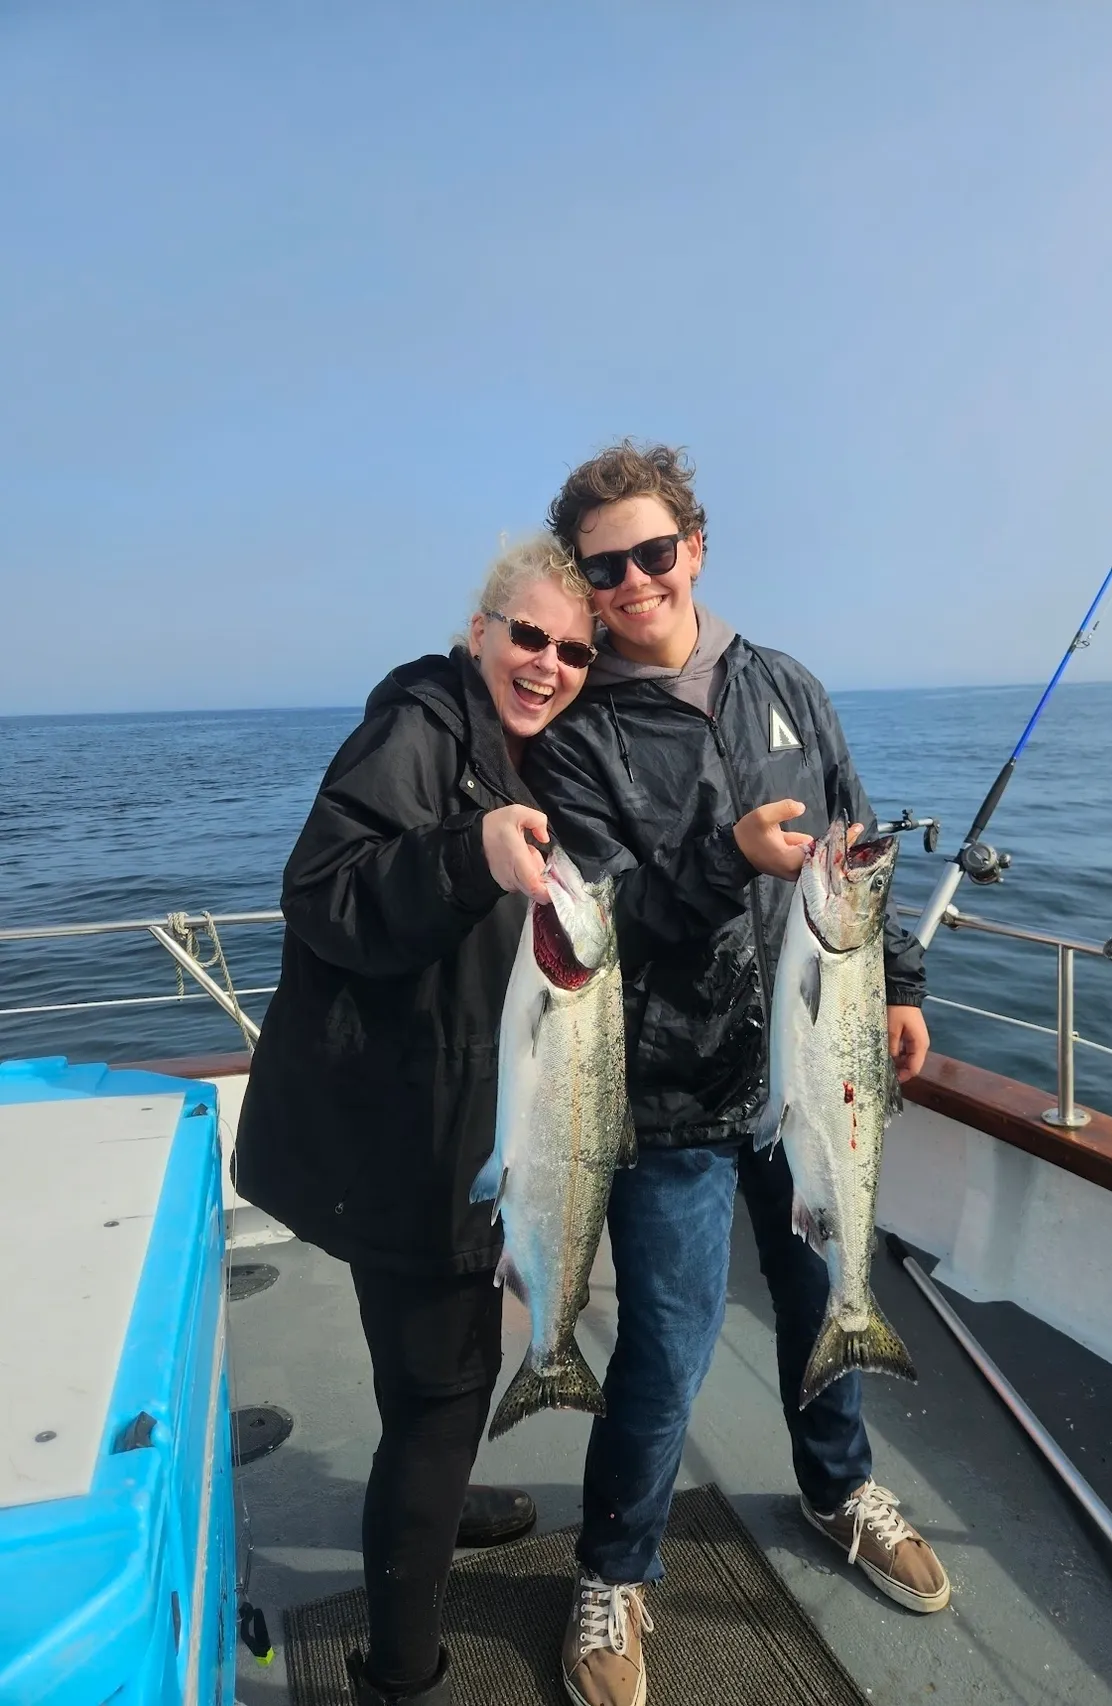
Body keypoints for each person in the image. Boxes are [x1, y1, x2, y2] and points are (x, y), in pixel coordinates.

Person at [523, 444, 949, 1706]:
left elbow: (856, 839)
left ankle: (835, 1489)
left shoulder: (787, 688)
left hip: (814, 1075)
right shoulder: (579, 735)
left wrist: (906, 990)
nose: (633, 579)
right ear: (585, 587)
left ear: (694, 549)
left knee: (830, 1296)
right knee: (663, 1348)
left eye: (653, 552)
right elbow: (598, 922)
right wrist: (724, 856)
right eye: (604, 567)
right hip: (664, 1095)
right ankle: (614, 1568)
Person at [233, 535, 596, 1706]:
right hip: (397, 1138)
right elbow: (324, 887)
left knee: (425, 1385)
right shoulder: (423, 727)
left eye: (573, 650)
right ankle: (403, 1671)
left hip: (426, 1120)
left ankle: (432, 1506)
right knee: (444, 1390)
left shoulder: (504, 739)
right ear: (480, 627)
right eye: (528, 634)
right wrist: (465, 854)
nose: (547, 664)